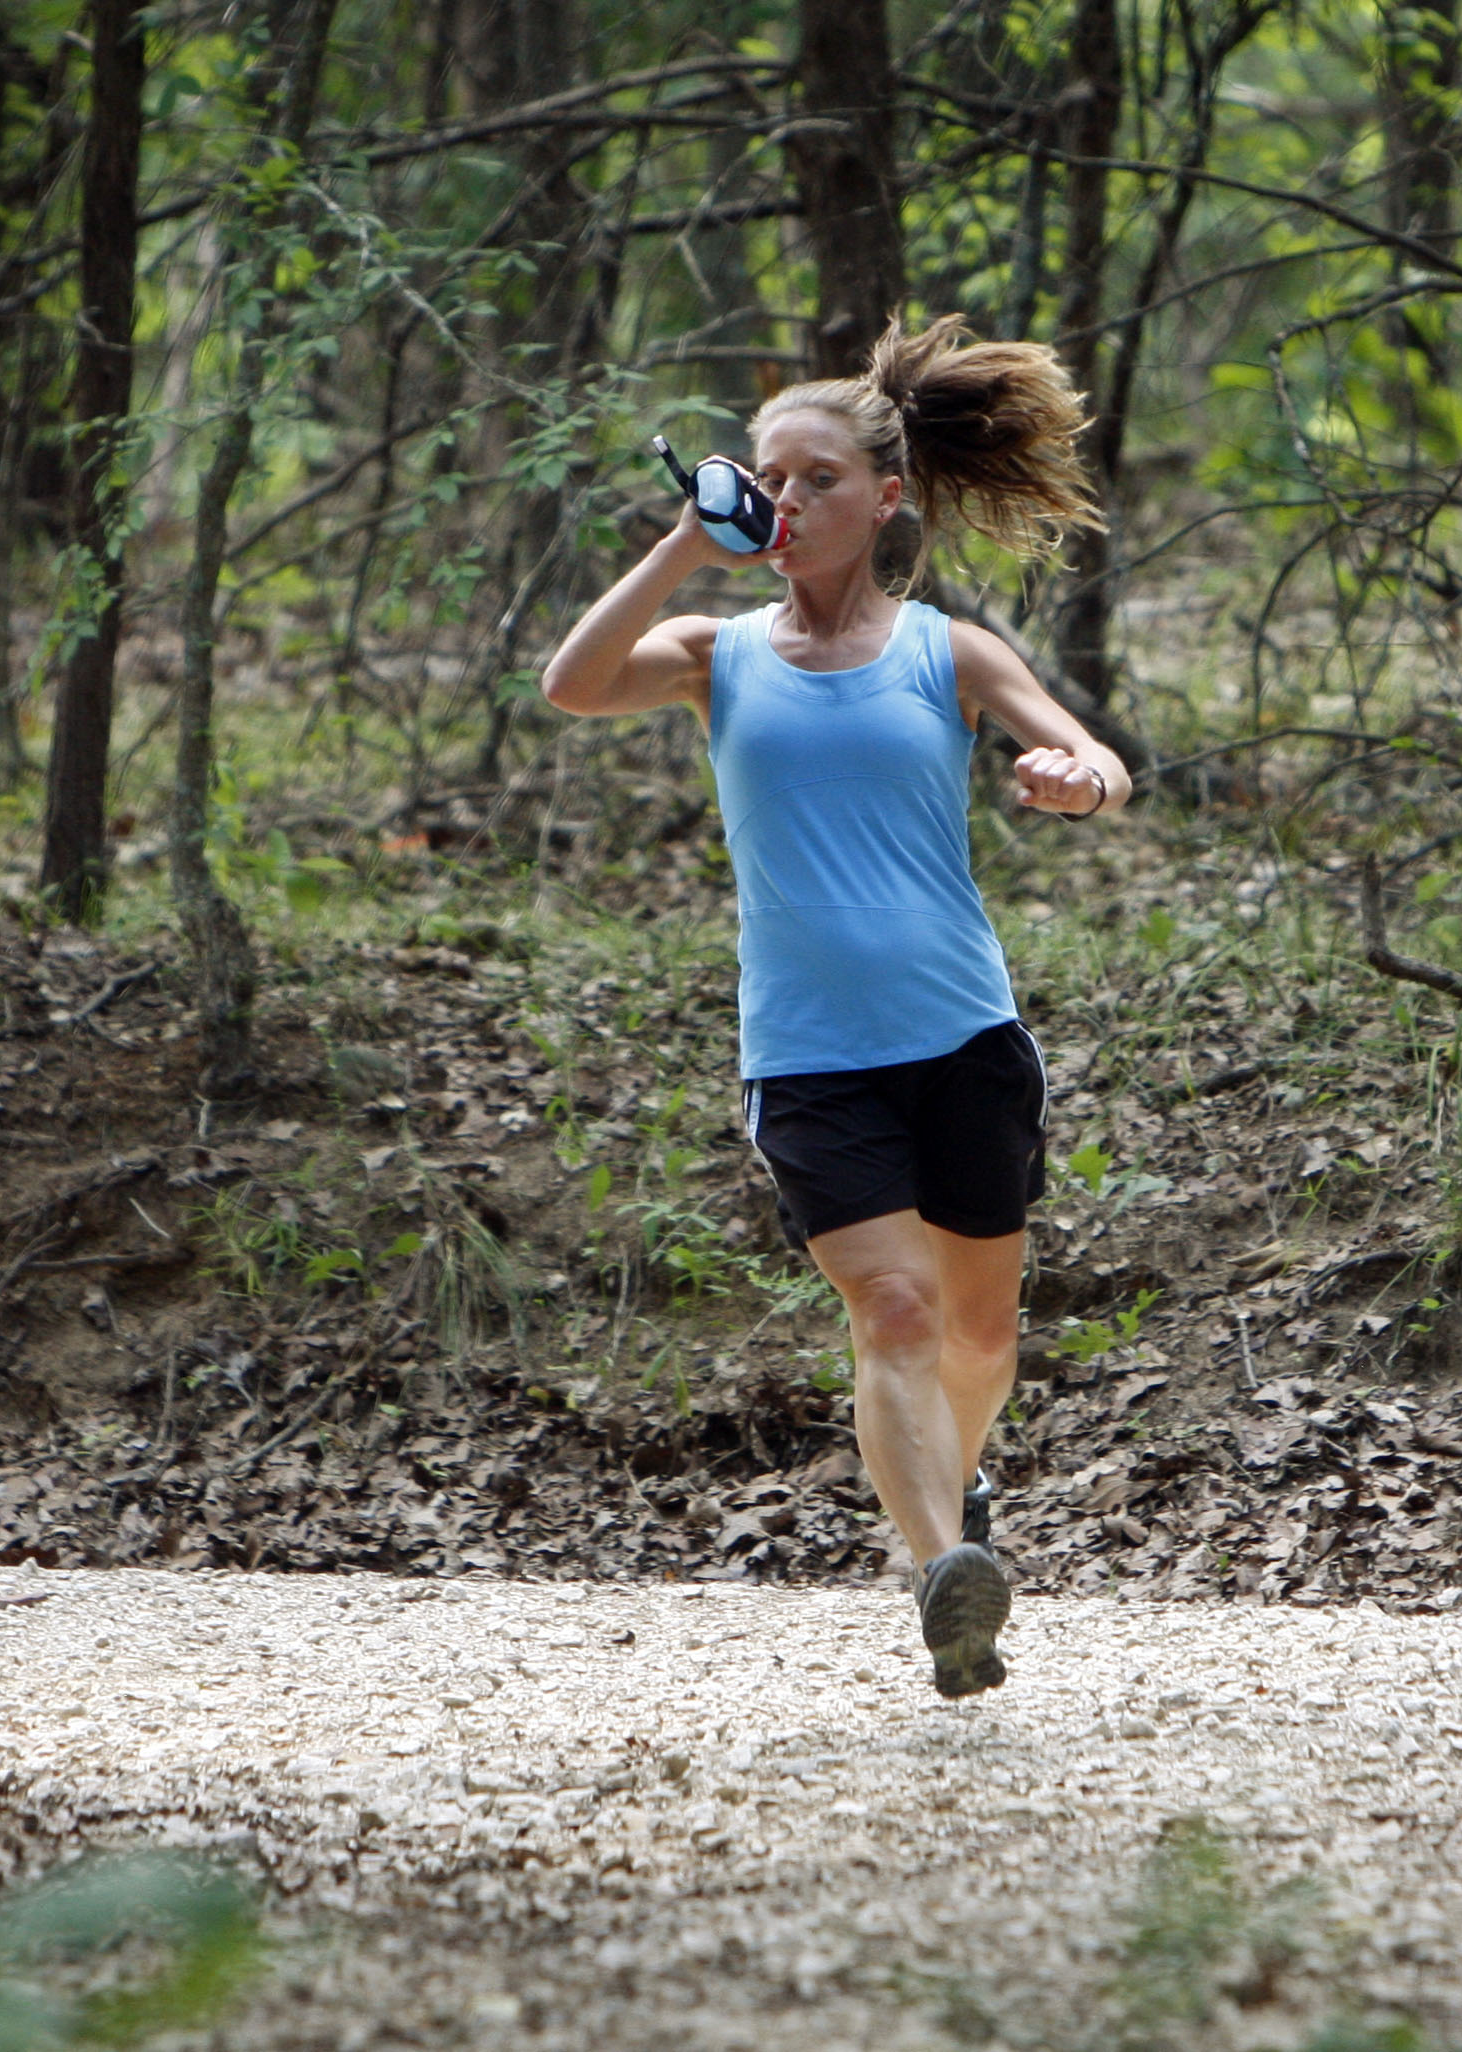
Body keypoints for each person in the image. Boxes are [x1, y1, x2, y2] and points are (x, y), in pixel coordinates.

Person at [539, 315, 1125, 1699]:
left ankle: (952, 1497)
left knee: (981, 1335)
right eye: (763, 477)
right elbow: (569, 686)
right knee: (897, 1313)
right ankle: (940, 1578)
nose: (783, 503)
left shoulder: (946, 654)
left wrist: (1074, 780)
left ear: (886, 499)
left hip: (965, 1037)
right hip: (807, 1056)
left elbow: (1088, 751)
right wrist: (685, 545)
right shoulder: (712, 651)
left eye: (814, 481)